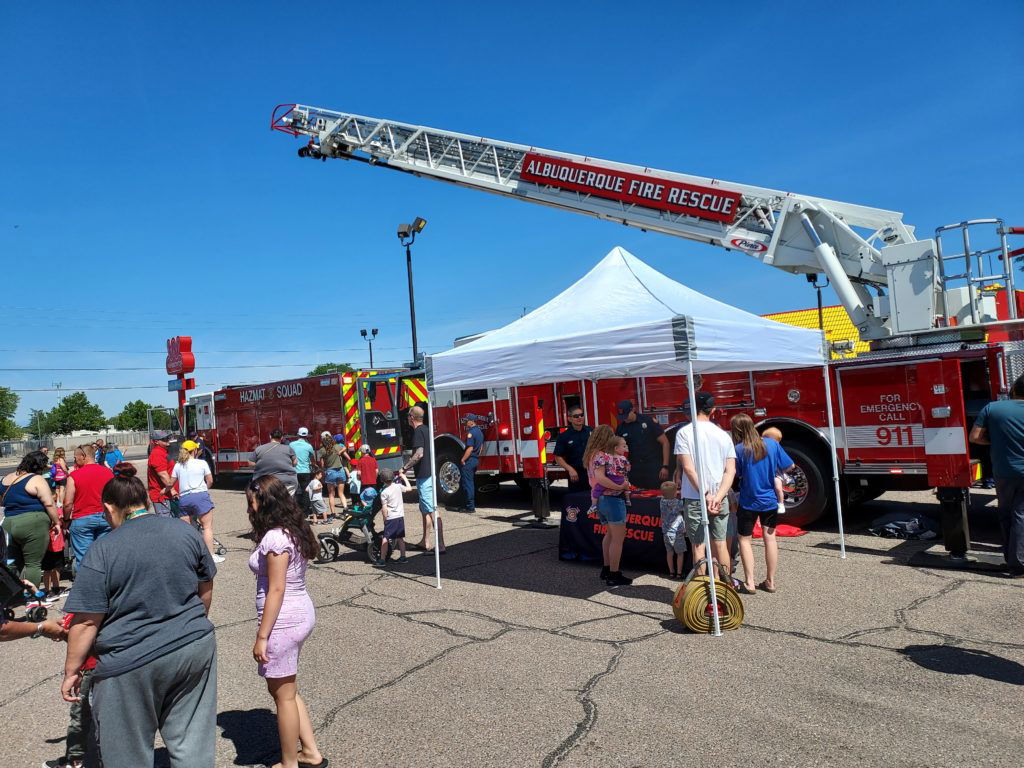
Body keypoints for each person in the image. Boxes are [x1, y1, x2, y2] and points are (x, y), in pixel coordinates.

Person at [62, 463, 217, 768]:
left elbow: (86, 621)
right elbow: (206, 584)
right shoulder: (185, 531)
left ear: (109, 507)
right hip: (194, 647)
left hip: (129, 662)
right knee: (192, 746)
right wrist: (192, 621)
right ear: (147, 500)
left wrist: (71, 670)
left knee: (127, 754)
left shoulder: (103, 550)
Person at [246, 476, 326, 768]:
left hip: (284, 621)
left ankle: (289, 763)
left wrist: (262, 636)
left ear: (264, 502)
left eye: (251, 502)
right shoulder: (292, 530)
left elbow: (276, 589)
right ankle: (310, 751)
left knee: (283, 697)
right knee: (287, 691)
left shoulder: (275, 538)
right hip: (298, 613)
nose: (249, 509)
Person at [673, 392, 736, 578]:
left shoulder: (684, 432)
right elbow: (730, 471)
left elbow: (688, 469)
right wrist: (717, 496)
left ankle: (704, 594)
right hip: (719, 497)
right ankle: (724, 589)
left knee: (698, 546)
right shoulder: (723, 434)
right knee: (720, 543)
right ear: (713, 410)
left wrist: (706, 495)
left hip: (695, 497)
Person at [730, 414, 795, 594]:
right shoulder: (772, 444)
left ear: (737, 431)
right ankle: (771, 581)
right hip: (770, 500)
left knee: (744, 540)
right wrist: (775, 471)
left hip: (748, 500)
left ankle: (750, 582)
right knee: (770, 539)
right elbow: (790, 466)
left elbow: (737, 474)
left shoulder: (739, 449)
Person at [969, 375, 1024, 578]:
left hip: (1005, 472)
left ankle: (1014, 561)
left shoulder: (992, 408)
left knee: (1007, 514)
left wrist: (994, 442)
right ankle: (1018, 563)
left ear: (1014, 389)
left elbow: (974, 437)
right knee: (1021, 515)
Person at [0, 450, 62, 587]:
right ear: (38, 466)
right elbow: (49, 503)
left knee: (12, 563)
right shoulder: (35, 479)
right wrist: (57, 522)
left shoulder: (6, 478)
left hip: (9, 523)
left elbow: (2, 502)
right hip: (32, 523)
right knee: (33, 563)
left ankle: (10, 594)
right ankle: (33, 597)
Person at [50, 611, 100, 768]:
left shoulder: (88, 602)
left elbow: (78, 630)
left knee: (80, 714)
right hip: (110, 663)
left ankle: (74, 760)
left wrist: (62, 632)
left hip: (91, 666)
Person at [584, 425, 632, 587]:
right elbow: (602, 479)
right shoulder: (602, 456)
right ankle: (614, 574)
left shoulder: (592, 455)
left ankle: (606, 569)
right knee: (618, 539)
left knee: (610, 535)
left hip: (601, 499)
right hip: (612, 499)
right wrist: (621, 487)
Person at [172, 440, 224, 563]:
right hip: (200, 495)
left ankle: (188, 557)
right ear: (194, 450)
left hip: (184, 497)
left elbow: (171, 482)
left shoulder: (178, 465)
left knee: (186, 530)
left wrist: (166, 490)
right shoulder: (202, 463)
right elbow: (210, 480)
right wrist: (206, 489)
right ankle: (211, 555)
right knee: (207, 527)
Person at [63, 444, 114, 569]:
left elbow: (68, 503)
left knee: (84, 559)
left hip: (82, 519)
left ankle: (86, 586)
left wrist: (65, 520)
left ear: (83, 456)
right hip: (105, 517)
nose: (74, 460)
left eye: (75, 457)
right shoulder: (108, 472)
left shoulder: (74, 476)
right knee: (104, 556)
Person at [402, 405, 445, 553]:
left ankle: (440, 544)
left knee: (432, 510)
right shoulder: (427, 430)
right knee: (425, 510)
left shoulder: (418, 432)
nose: (407, 417)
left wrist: (405, 467)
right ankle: (425, 541)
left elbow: (419, 454)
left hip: (424, 476)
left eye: (408, 415)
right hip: (429, 474)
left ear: (412, 417)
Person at [614, 400, 671, 489]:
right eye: (622, 417)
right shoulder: (621, 428)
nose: (625, 419)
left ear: (633, 410)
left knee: (655, 494)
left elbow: (665, 442)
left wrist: (665, 466)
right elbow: (617, 451)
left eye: (626, 415)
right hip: (635, 469)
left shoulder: (648, 421)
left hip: (653, 466)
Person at [553, 407, 593, 495]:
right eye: (576, 416)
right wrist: (570, 469)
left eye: (581, 415)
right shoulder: (564, 436)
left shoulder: (591, 431)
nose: (579, 418)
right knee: (578, 502)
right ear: (569, 419)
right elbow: (557, 457)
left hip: (592, 473)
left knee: (594, 502)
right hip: (576, 475)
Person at [375, 469, 410, 566]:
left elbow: (384, 509)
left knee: (385, 538)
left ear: (382, 480)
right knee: (400, 538)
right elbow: (409, 488)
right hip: (400, 516)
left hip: (391, 517)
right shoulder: (398, 486)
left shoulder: (384, 493)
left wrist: (385, 519)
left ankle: (382, 559)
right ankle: (403, 557)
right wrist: (404, 477)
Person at [590, 436, 632, 513]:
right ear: (616, 448)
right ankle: (628, 500)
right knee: (627, 486)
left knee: (597, 489)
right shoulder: (623, 458)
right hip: (621, 479)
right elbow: (628, 469)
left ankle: (593, 505)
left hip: (611, 479)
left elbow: (598, 464)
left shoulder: (605, 457)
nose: (625, 448)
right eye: (624, 446)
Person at [451, 414, 484, 513]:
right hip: (475, 460)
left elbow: (470, 448)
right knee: (470, 483)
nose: (466, 422)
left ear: (472, 422)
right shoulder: (479, 432)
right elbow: (481, 447)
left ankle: (470, 507)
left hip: (469, 461)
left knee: (467, 484)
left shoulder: (471, 433)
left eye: (467, 421)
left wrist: (463, 459)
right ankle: (469, 505)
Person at [253, 429, 298, 496]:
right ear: (282, 438)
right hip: (287, 482)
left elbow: (250, 463)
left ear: (270, 436)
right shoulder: (288, 449)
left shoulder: (259, 449)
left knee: (266, 503)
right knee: (286, 503)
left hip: (264, 482)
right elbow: (295, 462)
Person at [316, 432, 349, 516]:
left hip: (330, 472)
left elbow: (322, 464)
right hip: (340, 471)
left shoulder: (321, 450)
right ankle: (345, 509)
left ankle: (333, 513)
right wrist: (340, 452)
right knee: (341, 493)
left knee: (331, 494)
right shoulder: (337, 447)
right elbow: (344, 448)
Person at [659, 481, 687, 579]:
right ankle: (679, 573)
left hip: (666, 532)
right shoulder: (678, 503)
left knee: (669, 553)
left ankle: (671, 572)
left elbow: (668, 495)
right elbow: (684, 507)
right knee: (680, 554)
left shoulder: (662, 501)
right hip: (677, 533)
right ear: (675, 493)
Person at [147, 430, 177, 517]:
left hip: (167, 495)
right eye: (164, 439)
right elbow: (163, 474)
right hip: (163, 496)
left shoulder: (163, 451)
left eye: (168, 437)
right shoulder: (157, 453)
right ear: (156, 441)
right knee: (167, 526)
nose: (167, 439)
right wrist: (172, 490)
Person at [291, 427, 316, 515]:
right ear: (307, 435)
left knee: (295, 491)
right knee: (306, 491)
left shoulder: (291, 444)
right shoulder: (309, 446)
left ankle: (296, 509)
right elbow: (312, 458)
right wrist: (314, 465)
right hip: (305, 471)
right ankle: (305, 511)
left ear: (298, 434)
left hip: (294, 471)